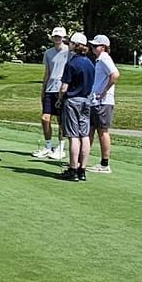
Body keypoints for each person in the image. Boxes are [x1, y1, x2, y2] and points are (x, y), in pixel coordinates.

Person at [57, 31, 96, 181]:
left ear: (75, 45)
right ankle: (82, 170)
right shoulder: (90, 63)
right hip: (86, 101)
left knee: (73, 136)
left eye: (70, 43)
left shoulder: (72, 63)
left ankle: (72, 169)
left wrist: (60, 99)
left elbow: (64, 87)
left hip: (73, 101)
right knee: (84, 135)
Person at [87, 33, 120, 174]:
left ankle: (105, 163)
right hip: (95, 100)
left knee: (102, 131)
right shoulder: (99, 60)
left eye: (96, 45)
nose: (93, 47)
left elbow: (115, 74)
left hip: (103, 101)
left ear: (104, 47)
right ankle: (81, 161)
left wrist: (104, 91)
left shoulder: (105, 58)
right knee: (90, 131)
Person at [38, 26, 70, 159]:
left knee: (61, 120)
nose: (57, 38)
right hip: (50, 89)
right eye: (55, 36)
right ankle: (48, 146)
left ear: (64, 38)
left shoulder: (70, 52)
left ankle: (61, 148)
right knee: (45, 118)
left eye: (60, 36)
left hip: (62, 89)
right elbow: (47, 72)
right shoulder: (48, 53)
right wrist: (43, 89)